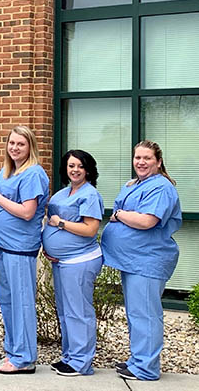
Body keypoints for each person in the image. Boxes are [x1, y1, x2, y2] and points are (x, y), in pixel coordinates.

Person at [102, 141, 181, 381]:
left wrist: (120, 215)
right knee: (137, 313)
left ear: (158, 162)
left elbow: (147, 221)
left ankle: (146, 368)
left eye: (147, 158)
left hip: (147, 260)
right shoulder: (137, 184)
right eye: (138, 158)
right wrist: (125, 217)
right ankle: (137, 360)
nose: (141, 162)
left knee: (146, 313)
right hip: (133, 260)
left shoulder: (161, 187)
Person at [0, 125, 49, 374]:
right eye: (12, 143)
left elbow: (27, 211)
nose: (15, 148)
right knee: (9, 302)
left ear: (30, 146)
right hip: (4, 246)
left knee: (21, 303)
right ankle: (13, 352)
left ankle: (24, 357)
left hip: (19, 248)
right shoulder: (8, 171)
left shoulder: (33, 173)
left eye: (20, 144)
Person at [41, 149, 103, 377]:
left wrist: (61, 224)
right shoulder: (63, 193)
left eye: (80, 166)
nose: (75, 170)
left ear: (88, 169)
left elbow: (90, 229)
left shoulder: (89, 194)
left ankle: (81, 362)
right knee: (66, 312)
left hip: (80, 260)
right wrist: (49, 248)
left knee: (79, 312)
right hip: (62, 262)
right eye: (71, 166)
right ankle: (69, 356)